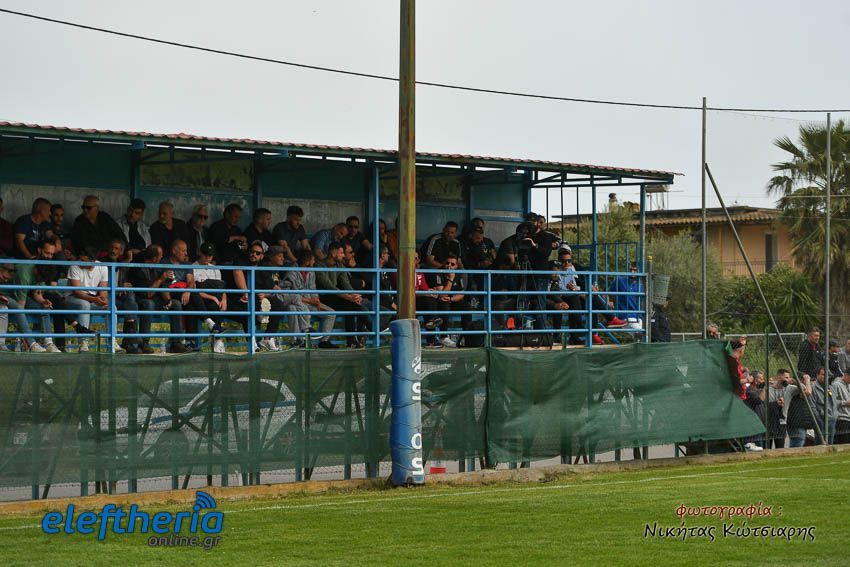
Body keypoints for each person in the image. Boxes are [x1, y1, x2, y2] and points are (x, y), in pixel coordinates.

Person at [125, 245, 182, 354]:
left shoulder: (158, 266)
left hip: (156, 299)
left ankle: (176, 343)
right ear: (155, 258)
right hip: (140, 300)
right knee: (149, 304)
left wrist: (168, 300)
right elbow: (148, 294)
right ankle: (144, 343)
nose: (161, 258)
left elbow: (164, 286)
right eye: (160, 256)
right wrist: (161, 278)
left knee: (176, 304)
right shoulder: (138, 269)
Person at [316, 241, 371, 348]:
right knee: (350, 304)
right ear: (333, 253)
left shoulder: (340, 265)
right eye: (341, 253)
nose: (343, 255)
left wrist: (354, 295)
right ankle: (372, 328)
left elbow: (346, 284)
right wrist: (348, 297)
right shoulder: (320, 265)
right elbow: (329, 286)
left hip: (335, 297)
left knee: (351, 305)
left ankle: (352, 340)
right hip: (323, 297)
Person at [64, 246, 115, 352]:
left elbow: (103, 290)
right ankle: (83, 342)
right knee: (84, 304)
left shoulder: (102, 267)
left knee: (112, 307)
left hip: (92, 300)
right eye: (80, 259)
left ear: (93, 260)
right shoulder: (74, 266)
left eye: (84, 261)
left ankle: (112, 341)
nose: (81, 262)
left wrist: (103, 300)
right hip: (72, 299)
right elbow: (77, 292)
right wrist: (95, 299)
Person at [282, 248, 337, 349]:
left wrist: (317, 301)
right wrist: (309, 301)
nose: (314, 262)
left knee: (331, 313)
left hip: (311, 303)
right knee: (294, 308)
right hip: (299, 303)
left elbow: (313, 288)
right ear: (307, 261)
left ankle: (324, 341)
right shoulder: (292, 272)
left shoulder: (311, 271)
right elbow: (291, 294)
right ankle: (300, 339)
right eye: (313, 260)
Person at [192, 242, 227, 353]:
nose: (208, 257)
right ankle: (217, 338)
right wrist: (212, 297)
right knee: (213, 305)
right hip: (202, 299)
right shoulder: (193, 267)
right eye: (206, 254)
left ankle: (217, 339)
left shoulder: (215, 268)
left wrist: (224, 299)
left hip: (216, 299)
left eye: (210, 255)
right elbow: (196, 291)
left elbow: (222, 288)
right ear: (200, 253)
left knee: (217, 306)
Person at [253, 244, 290, 351]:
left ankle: (269, 337)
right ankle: (268, 338)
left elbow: (272, 289)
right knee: (284, 303)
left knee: (293, 306)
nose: (282, 258)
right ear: (271, 257)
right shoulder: (264, 268)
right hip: (258, 297)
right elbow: (272, 287)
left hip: (270, 295)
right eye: (279, 256)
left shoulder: (277, 269)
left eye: (283, 256)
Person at [432, 254, 468, 348]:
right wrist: (451, 279)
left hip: (453, 300)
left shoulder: (460, 274)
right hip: (442, 302)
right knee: (444, 304)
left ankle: (467, 336)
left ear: (456, 266)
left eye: (452, 264)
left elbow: (461, 294)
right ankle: (444, 337)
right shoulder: (439, 273)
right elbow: (441, 295)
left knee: (466, 307)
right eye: (447, 263)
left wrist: (451, 298)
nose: (449, 266)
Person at [785, 371, 815, 448]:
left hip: (800, 422)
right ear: (801, 380)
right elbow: (808, 392)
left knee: (799, 442)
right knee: (797, 445)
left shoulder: (797, 388)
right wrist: (807, 380)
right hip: (796, 423)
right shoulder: (794, 389)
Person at [610, 262, 644, 329]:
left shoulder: (641, 286)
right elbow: (606, 293)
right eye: (630, 269)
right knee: (640, 332)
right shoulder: (620, 281)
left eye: (635, 270)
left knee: (647, 332)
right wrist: (608, 301)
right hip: (625, 316)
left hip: (638, 317)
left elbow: (643, 302)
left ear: (639, 271)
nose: (632, 272)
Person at [811, 365, 837, 445]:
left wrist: (835, 415)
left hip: (832, 420)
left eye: (827, 375)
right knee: (820, 444)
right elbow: (812, 406)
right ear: (817, 375)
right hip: (821, 420)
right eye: (823, 374)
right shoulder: (813, 388)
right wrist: (818, 419)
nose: (825, 377)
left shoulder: (831, 388)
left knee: (830, 444)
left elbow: (835, 402)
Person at [767, 369, 791, 449]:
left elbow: (804, 389)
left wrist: (793, 381)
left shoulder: (789, 388)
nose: (787, 380)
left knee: (780, 448)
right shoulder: (769, 389)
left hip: (782, 422)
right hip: (769, 423)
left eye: (788, 378)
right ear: (779, 377)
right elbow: (762, 404)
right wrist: (775, 403)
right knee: (767, 448)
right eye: (786, 377)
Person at [743, 370, 766, 451]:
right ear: (755, 380)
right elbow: (759, 400)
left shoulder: (759, 390)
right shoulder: (749, 390)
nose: (763, 381)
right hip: (754, 424)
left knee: (762, 448)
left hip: (761, 423)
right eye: (761, 379)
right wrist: (765, 387)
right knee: (758, 449)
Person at [832, 370, 850, 445]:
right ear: (846, 375)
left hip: (848, 418)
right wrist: (845, 403)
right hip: (841, 419)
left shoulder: (849, 385)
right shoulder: (835, 385)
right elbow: (832, 401)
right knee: (843, 443)